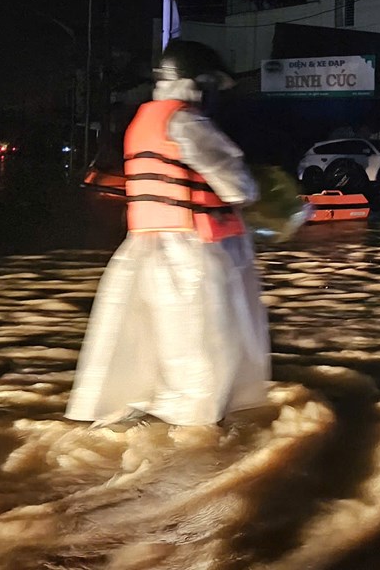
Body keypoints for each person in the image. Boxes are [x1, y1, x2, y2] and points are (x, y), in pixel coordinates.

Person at [66, 40, 270, 427]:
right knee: (206, 358)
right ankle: (199, 452)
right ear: (200, 82)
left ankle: (155, 425)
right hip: (195, 254)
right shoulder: (189, 122)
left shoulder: (145, 119)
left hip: (143, 251)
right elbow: (239, 187)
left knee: (161, 353)